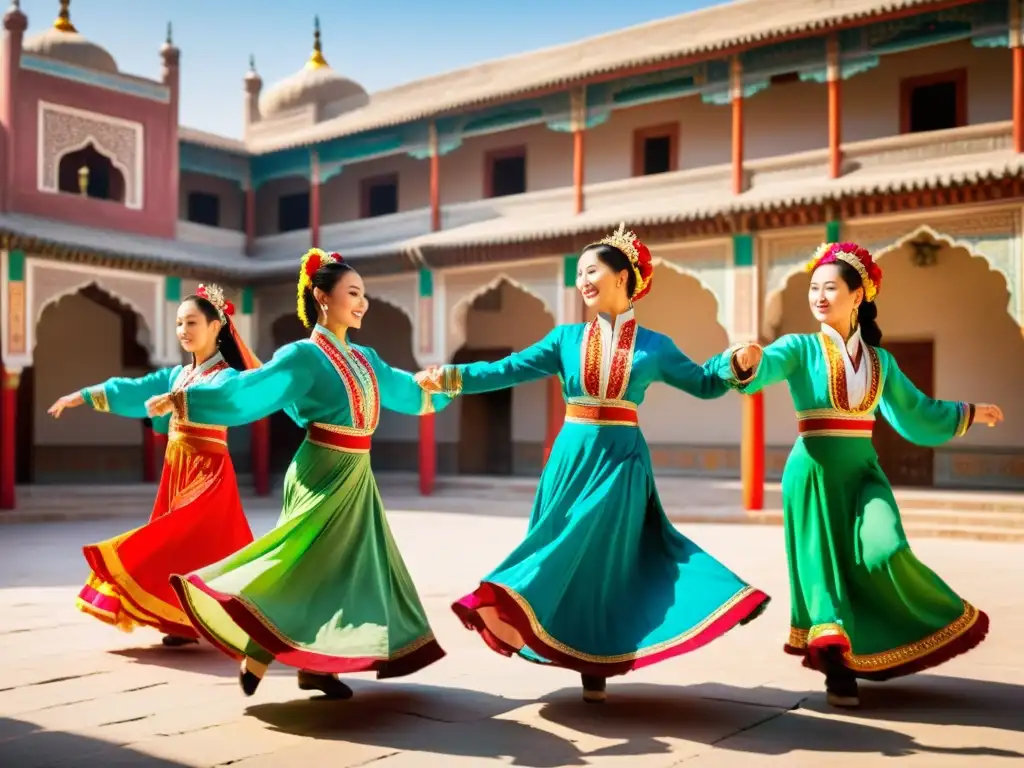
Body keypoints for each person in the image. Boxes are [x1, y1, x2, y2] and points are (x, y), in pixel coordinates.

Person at [417, 224, 770, 703]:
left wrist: (738, 363)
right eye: (578, 273)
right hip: (571, 458)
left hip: (622, 463)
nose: (582, 281)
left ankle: (597, 660)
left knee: (606, 561)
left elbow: (705, 383)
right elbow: (506, 370)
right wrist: (451, 377)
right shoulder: (564, 339)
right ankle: (509, 606)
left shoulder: (656, 346)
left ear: (623, 276)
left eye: (592, 271)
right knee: (560, 549)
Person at [146, 249, 452, 700]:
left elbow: (406, 390)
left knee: (343, 572)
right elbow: (254, 388)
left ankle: (317, 669)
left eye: (364, 294)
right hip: (320, 469)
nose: (362, 302)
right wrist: (183, 401)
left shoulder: (365, 357)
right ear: (321, 297)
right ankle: (258, 648)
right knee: (303, 564)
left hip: (357, 474)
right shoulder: (303, 356)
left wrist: (445, 384)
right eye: (353, 293)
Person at [723, 241, 1002, 708]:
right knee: (823, 577)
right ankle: (837, 669)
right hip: (812, 473)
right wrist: (747, 361)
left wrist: (969, 412)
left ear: (858, 296)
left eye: (830, 288)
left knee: (885, 547)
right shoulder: (799, 347)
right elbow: (765, 366)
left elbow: (917, 412)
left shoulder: (880, 362)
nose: (819, 296)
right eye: (813, 288)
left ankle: (894, 637)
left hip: (863, 472)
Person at [48, 285, 258, 647]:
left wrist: (178, 400)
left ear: (216, 326)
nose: (183, 331)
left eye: (191, 322)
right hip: (176, 471)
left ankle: (232, 616)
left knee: (178, 540)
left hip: (207, 473)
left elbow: (228, 397)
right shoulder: (178, 374)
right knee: (182, 547)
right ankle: (179, 621)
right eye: (179, 323)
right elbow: (133, 389)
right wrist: (82, 396)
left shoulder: (223, 375)